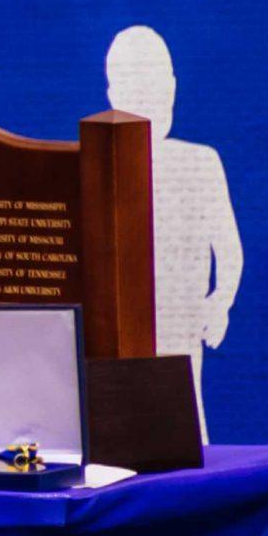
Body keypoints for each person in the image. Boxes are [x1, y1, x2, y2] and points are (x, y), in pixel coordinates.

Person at [106, 25, 241, 438]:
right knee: (121, 428)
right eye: (132, 83)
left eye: (154, 82)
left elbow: (229, 249)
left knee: (186, 425)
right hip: (118, 329)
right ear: (112, 94)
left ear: (172, 87)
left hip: (181, 323)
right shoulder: (104, 165)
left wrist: (219, 303)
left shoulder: (199, 163)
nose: (146, 96)